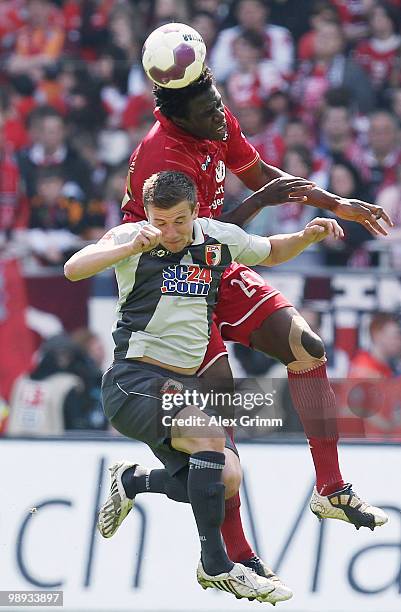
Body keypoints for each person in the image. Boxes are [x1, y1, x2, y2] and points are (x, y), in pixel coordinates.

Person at [120, 63, 391, 546]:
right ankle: (237, 556)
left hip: (217, 262)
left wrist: (337, 204)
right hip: (174, 284)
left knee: (307, 345)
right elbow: (192, 241)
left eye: (220, 104)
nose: (223, 117)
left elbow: (264, 176)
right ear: (183, 119)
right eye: (211, 111)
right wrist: (261, 203)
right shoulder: (162, 158)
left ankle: (330, 487)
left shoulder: (212, 119)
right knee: (220, 415)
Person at [64, 170, 359, 600]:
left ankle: (134, 482)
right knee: (209, 436)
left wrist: (307, 235)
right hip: (135, 380)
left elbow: (269, 251)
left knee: (226, 478)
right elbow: (73, 268)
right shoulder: (132, 239)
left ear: (195, 212)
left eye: (179, 221)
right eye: (160, 221)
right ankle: (216, 564)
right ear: (147, 215)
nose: (170, 232)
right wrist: (128, 245)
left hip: (182, 389)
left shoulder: (215, 238)